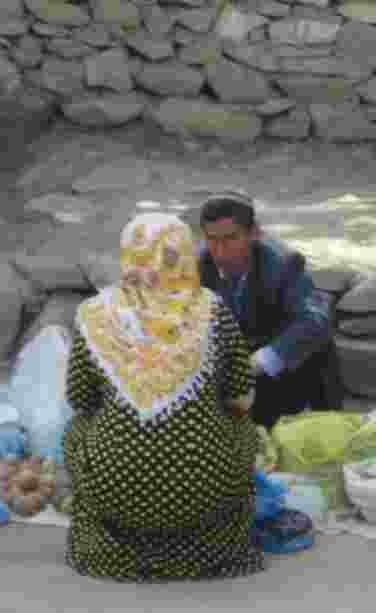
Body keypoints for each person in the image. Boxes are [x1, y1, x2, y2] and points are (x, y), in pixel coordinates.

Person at [61, 212, 264, 583]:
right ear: (185, 255)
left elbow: (79, 400)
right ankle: (209, 547)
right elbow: (241, 400)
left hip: (115, 487)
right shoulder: (213, 311)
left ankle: (111, 544)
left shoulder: (93, 315)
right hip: (205, 488)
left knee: (76, 430)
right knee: (246, 431)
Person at [197, 191, 343, 429]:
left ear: (254, 233)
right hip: (230, 368)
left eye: (231, 238)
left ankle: (326, 421)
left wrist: (260, 362)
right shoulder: (195, 266)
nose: (221, 251)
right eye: (212, 240)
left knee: (319, 347)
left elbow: (315, 320)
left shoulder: (284, 263)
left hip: (281, 367)